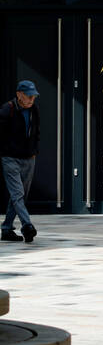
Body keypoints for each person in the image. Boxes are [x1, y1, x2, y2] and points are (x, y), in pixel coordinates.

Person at [0, 80, 41, 243]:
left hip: (29, 159)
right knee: (17, 194)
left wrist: (34, 152)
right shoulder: (7, 109)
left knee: (19, 197)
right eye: (28, 96)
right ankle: (27, 226)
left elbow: (36, 132)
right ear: (19, 94)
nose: (31, 99)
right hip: (10, 158)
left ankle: (6, 229)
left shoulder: (34, 110)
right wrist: (5, 152)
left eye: (34, 96)